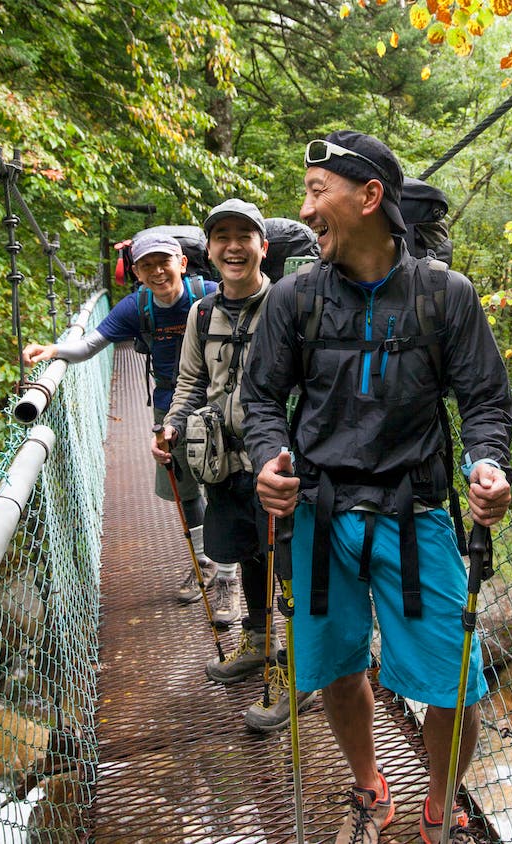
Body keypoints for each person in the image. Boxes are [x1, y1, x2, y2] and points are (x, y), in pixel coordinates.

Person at [242, 131, 512, 844]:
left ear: (368, 198)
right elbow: (263, 399)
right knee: (334, 666)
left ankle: (439, 795)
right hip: (319, 512)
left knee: (456, 681)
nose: (304, 212)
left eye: (315, 193)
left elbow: (484, 400)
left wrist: (489, 463)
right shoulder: (294, 299)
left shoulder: (446, 296)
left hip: (416, 512)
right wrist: (270, 458)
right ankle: (369, 783)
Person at [153, 199, 315, 732]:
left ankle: (297, 671)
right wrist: (172, 427)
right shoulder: (203, 313)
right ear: (211, 252)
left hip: (281, 463)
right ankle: (257, 641)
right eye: (221, 236)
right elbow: (192, 383)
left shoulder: (289, 304)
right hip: (225, 461)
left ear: (263, 247)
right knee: (247, 554)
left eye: (244, 235)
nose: (233, 246)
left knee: (291, 563)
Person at [22, 231, 224, 617]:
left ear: (182, 263)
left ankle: (228, 563)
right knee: (184, 490)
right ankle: (203, 564)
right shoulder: (137, 307)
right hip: (169, 408)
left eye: (163, 262)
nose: (157, 272)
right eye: (146, 266)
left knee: (223, 482)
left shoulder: (210, 294)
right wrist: (53, 349)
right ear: (136, 273)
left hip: (217, 403)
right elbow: (89, 345)